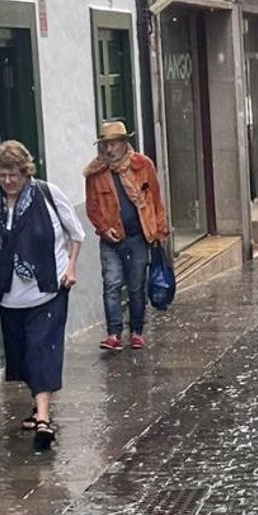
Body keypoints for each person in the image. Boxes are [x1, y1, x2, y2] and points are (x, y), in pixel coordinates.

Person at [0, 141, 85, 450]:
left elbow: (77, 234)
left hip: (48, 289)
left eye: (14, 175)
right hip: (9, 296)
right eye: (3, 175)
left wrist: (71, 268)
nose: (8, 182)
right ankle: (38, 404)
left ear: (26, 173)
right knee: (21, 357)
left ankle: (44, 421)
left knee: (42, 350)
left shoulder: (47, 194)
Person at [83, 120, 170, 351]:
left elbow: (156, 200)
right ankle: (113, 333)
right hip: (111, 239)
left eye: (113, 143)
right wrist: (103, 228)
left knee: (136, 286)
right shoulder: (95, 173)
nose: (109, 149)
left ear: (124, 143)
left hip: (138, 236)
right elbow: (92, 207)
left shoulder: (143, 166)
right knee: (111, 283)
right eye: (105, 144)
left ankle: (137, 331)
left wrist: (160, 230)